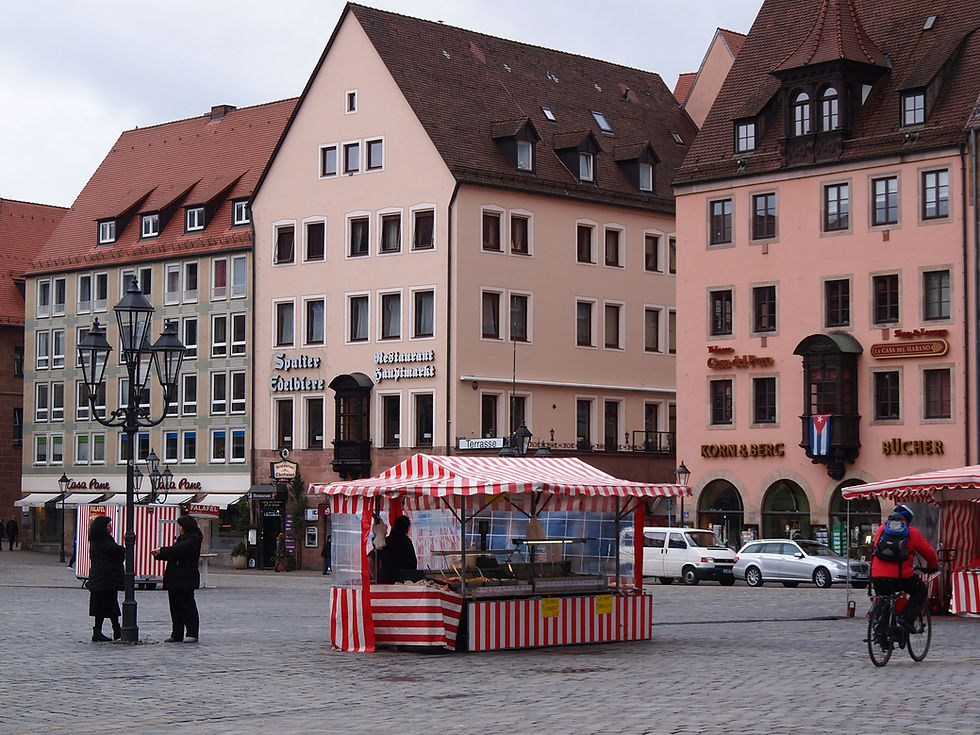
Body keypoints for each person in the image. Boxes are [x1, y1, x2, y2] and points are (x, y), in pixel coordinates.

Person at [871, 504, 939, 633]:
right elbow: (929, 553)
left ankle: (881, 631)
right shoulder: (912, 532)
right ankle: (906, 620)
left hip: (877, 575)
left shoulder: (881, 529)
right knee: (920, 591)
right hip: (901, 576)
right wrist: (933, 567)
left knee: (884, 598)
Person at [151, 515, 203, 643]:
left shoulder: (194, 539)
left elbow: (179, 550)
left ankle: (192, 632)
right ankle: (176, 633)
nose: (179, 528)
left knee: (187, 605)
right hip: (174, 577)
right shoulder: (183, 538)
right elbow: (175, 553)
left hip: (185, 577)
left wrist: (162, 550)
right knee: (175, 607)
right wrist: (160, 555)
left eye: (180, 526)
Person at [87, 515, 124, 642]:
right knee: (107, 606)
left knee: (107, 606)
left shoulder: (100, 540)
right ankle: (114, 632)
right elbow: (118, 551)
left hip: (104, 578)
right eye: (109, 526)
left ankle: (108, 631)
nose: (111, 528)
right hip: (104, 579)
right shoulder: (101, 541)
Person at [379, 515, 417, 584]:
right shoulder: (406, 542)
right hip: (403, 579)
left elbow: (375, 558)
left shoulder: (386, 541)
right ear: (406, 527)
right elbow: (413, 563)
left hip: (385, 578)